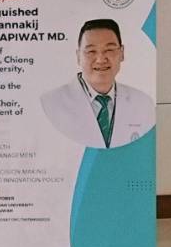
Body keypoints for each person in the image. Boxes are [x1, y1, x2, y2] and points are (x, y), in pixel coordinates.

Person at [40, 18, 155, 149]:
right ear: (78, 56)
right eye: (91, 51)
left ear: (122, 53)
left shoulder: (144, 104)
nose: (100, 59)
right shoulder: (49, 103)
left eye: (109, 49)